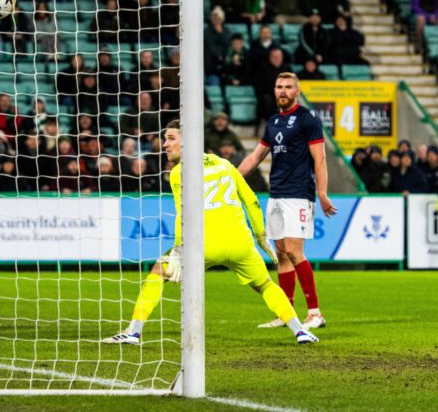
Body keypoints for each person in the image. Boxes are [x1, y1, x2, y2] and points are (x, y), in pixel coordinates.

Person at [101, 120, 317, 345]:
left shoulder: (178, 173)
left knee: (157, 272)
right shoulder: (225, 164)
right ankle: (300, 331)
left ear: (189, 143)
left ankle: (133, 332)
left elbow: (182, 214)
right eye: (166, 139)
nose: (165, 144)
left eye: (171, 139)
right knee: (265, 285)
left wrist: (177, 250)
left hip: (203, 245)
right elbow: (251, 200)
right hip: (240, 243)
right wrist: (261, 238)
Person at [239, 73, 336, 330]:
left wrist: (322, 193)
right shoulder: (272, 122)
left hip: (299, 194)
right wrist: (232, 179)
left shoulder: (307, 120)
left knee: (294, 252)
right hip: (277, 194)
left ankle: (315, 313)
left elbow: (320, 159)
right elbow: (256, 157)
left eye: (288, 87)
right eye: (279, 87)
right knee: (281, 254)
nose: (283, 91)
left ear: (297, 91)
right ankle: (287, 313)